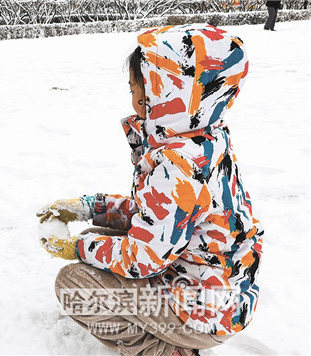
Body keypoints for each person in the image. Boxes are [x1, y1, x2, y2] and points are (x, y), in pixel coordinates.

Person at [38, 24, 263, 356]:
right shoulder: (202, 136)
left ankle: (162, 350)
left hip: (200, 311)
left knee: (74, 286)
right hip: (216, 290)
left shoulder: (178, 165)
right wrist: (91, 208)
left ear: (172, 95)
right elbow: (157, 218)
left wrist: (77, 248)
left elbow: (143, 257)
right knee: (96, 235)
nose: (136, 100)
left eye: (143, 91)